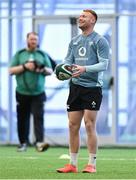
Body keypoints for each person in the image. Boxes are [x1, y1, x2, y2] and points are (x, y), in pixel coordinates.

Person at [56, 9, 109, 173]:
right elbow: (67, 60)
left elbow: (104, 65)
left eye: (84, 16)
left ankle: (92, 164)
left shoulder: (100, 41)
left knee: (89, 124)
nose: (80, 18)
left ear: (93, 20)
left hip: (92, 88)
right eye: (80, 16)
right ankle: (72, 164)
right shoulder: (74, 41)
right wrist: (62, 69)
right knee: (72, 125)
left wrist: (85, 68)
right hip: (75, 87)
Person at [9, 32, 53, 152]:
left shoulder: (42, 54)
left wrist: (42, 68)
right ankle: (23, 143)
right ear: (27, 40)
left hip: (38, 93)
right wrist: (25, 67)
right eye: (32, 39)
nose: (34, 41)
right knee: (22, 118)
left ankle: (39, 143)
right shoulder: (20, 54)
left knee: (39, 117)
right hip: (22, 92)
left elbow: (50, 71)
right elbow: (10, 70)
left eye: (35, 40)